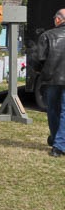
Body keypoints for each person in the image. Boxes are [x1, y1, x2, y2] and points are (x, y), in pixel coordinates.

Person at [34, 8, 65, 157]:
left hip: (52, 79)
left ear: (58, 19)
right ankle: (58, 142)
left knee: (53, 110)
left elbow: (39, 60)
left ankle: (57, 143)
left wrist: (40, 72)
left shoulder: (47, 35)